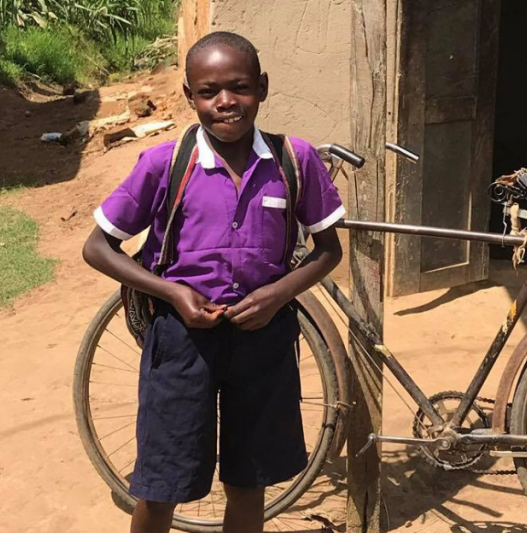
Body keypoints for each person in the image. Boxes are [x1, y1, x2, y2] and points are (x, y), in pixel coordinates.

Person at [81, 31, 345, 533]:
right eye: (209, 91)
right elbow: (97, 247)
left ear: (262, 87)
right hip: (181, 346)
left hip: (264, 341)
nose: (226, 102)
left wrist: (278, 293)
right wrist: (172, 292)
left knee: (250, 481)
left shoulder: (295, 160)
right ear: (190, 96)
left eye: (240, 87)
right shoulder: (164, 165)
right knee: (162, 484)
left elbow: (329, 250)